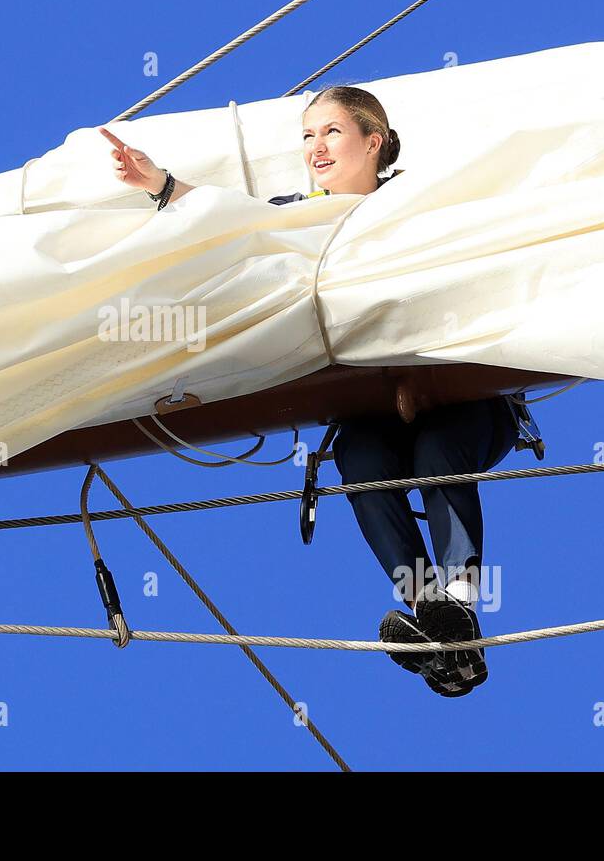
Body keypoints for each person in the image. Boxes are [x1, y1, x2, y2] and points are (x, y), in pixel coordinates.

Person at [101, 86, 518, 698]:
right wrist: (161, 186)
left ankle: (457, 599)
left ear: (373, 142)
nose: (315, 148)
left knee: (436, 455)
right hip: (372, 408)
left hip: (464, 402)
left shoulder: (420, 200)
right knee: (360, 460)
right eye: (306, 136)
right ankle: (430, 615)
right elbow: (231, 221)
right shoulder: (299, 214)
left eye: (330, 133)